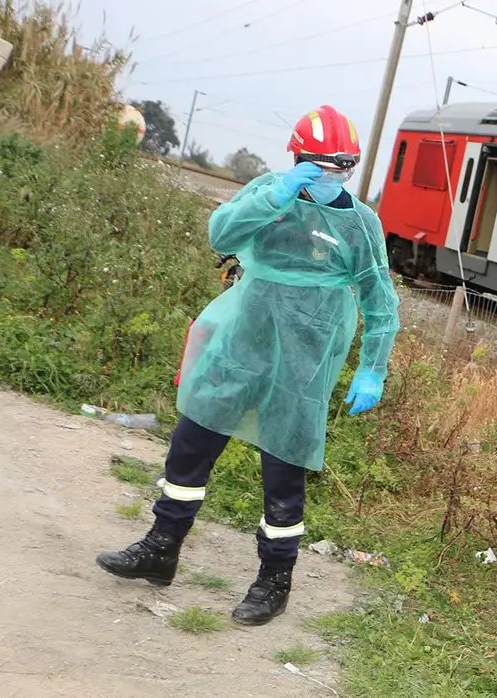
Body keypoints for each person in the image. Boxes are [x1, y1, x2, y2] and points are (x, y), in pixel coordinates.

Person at [95, 105, 401, 626]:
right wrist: (276, 194)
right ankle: (160, 547)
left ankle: (273, 579)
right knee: (190, 443)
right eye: (322, 164)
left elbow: (380, 300)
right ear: (298, 157)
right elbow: (222, 235)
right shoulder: (269, 191)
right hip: (241, 341)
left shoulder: (360, 222)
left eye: (344, 165)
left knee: (284, 467)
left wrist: (373, 366)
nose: (333, 175)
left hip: (305, 359)